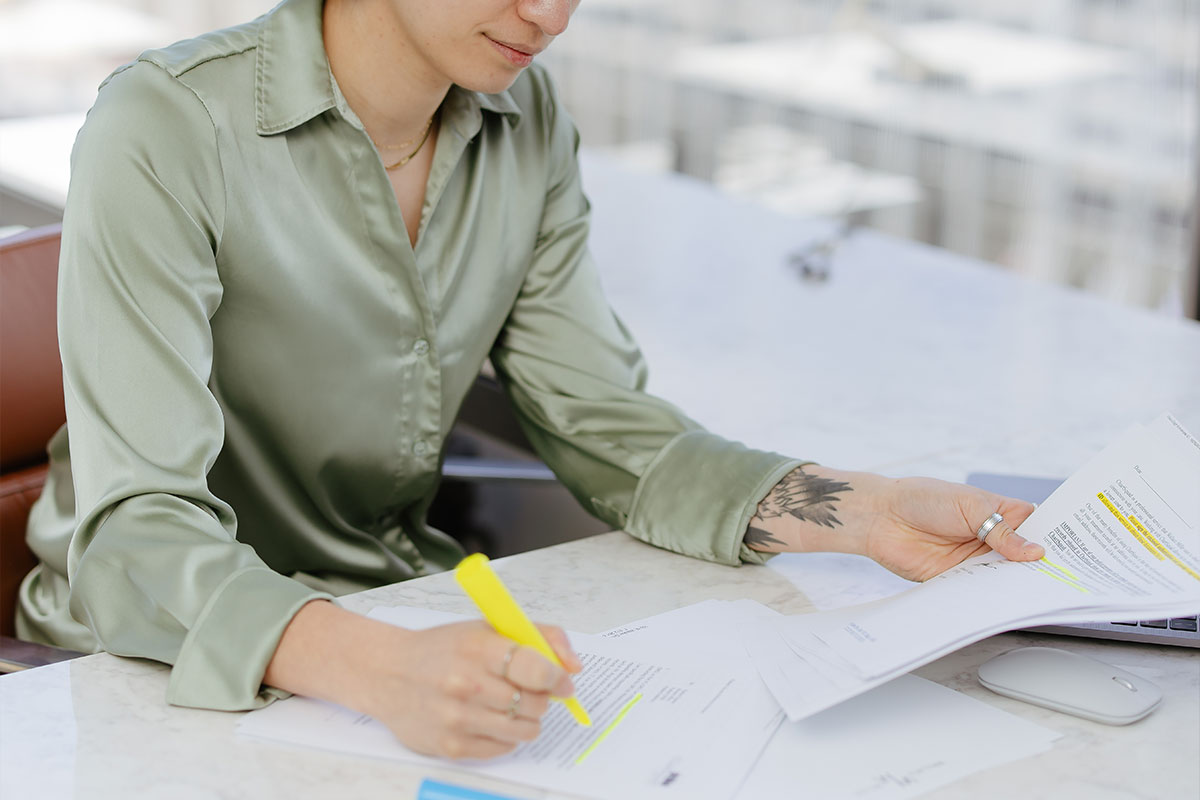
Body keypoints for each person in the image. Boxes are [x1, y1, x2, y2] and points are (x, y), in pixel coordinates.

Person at [17, 0, 1044, 761]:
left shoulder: (525, 115)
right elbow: (134, 530)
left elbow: (611, 428)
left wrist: (862, 511)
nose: (550, 16)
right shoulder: (166, 125)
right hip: (152, 664)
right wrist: (373, 665)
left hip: (406, 621)